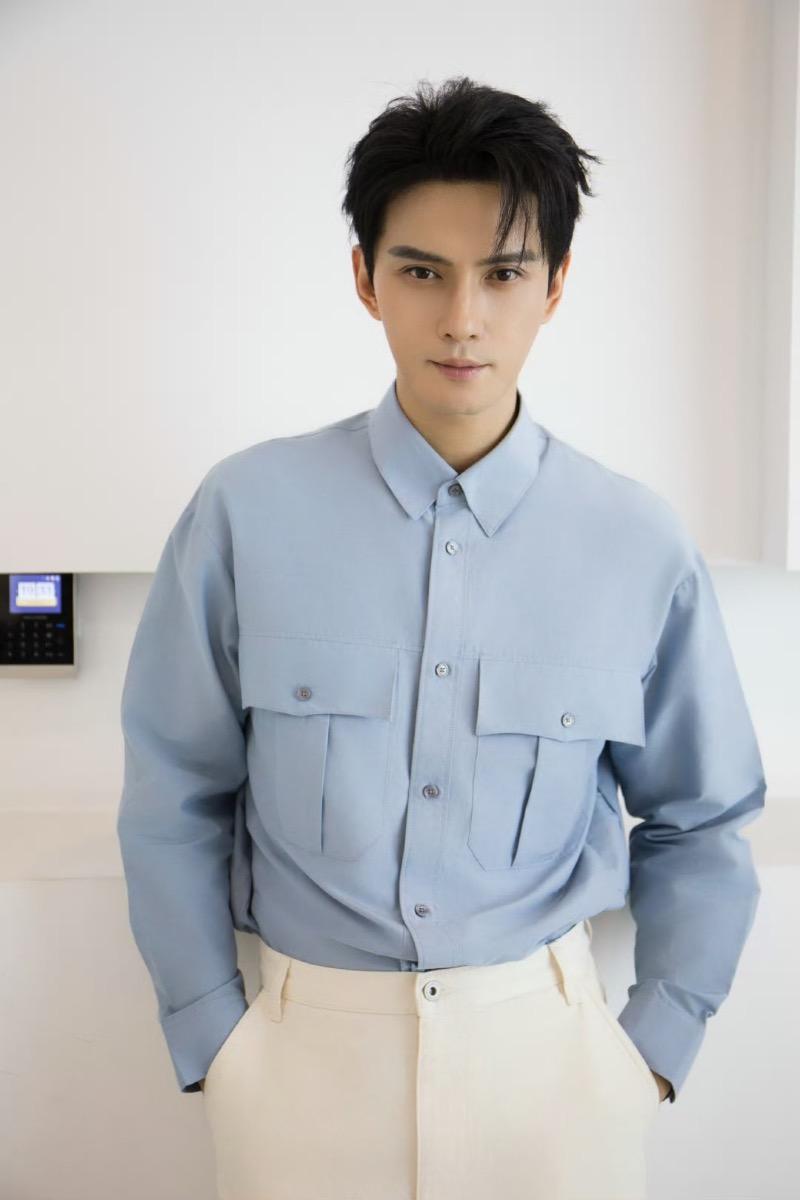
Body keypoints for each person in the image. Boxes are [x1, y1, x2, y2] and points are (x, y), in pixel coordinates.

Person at [117, 75, 766, 1200]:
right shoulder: (244, 512)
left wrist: (650, 1051)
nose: (462, 317)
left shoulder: (636, 540)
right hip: (298, 1070)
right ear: (365, 278)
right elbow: (173, 790)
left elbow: (702, 817)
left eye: (502, 273)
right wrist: (214, 1038)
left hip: (553, 1077)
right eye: (422, 271)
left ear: (555, 285)